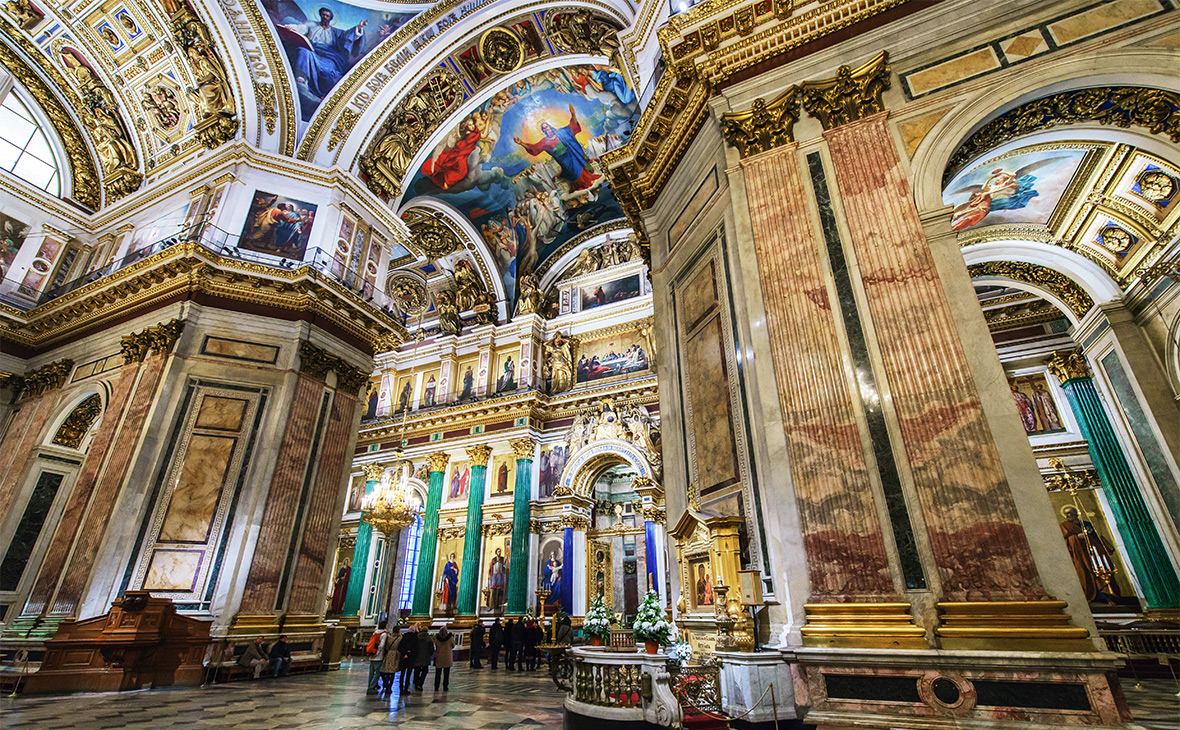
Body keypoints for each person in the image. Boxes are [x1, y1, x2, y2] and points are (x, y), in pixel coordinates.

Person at [366, 621, 388, 695]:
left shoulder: (375, 633)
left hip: (371, 655)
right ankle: (371, 687)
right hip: (378, 656)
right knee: (377, 673)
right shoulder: (384, 634)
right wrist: (377, 654)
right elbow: (381, 646)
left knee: (371, 673)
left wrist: (372, 654)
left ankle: (370, 685)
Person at [379, 624, 401, 697]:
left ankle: (385, 683)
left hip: (388, 653)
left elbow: (386, 646)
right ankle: (389, 687)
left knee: (386, 670)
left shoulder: (389, 637)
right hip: (395, 655)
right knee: (392, 672)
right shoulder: (399, 638)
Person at [397, 623, 419, 693]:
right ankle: (406, 688)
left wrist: (405, 652)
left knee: (402, 673)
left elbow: (399, 647)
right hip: (411, 658)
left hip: (403, 657)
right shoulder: (416, 638)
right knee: (408, 674)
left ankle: (400, 687)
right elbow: (416, 648)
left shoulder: (404, 637)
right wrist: (409, 653)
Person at [433, 625, 455, 691]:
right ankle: (445, 686)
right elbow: (453, 645)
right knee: (446, 673)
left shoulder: (437, 638)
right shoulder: (450, 638)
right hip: (447, 657)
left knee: (438, 673)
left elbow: (435, 645)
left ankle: (436, 686)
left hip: (439, 657)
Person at [413, 623, 433, 690]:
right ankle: (420, 683)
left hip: (417, 656)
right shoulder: (429, 639)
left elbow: (414, 647)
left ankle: (416, 683)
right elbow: (431, 649)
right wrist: (429, 654)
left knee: (417, 670)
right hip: (426, 657)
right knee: (425, 671)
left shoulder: (416, 637)